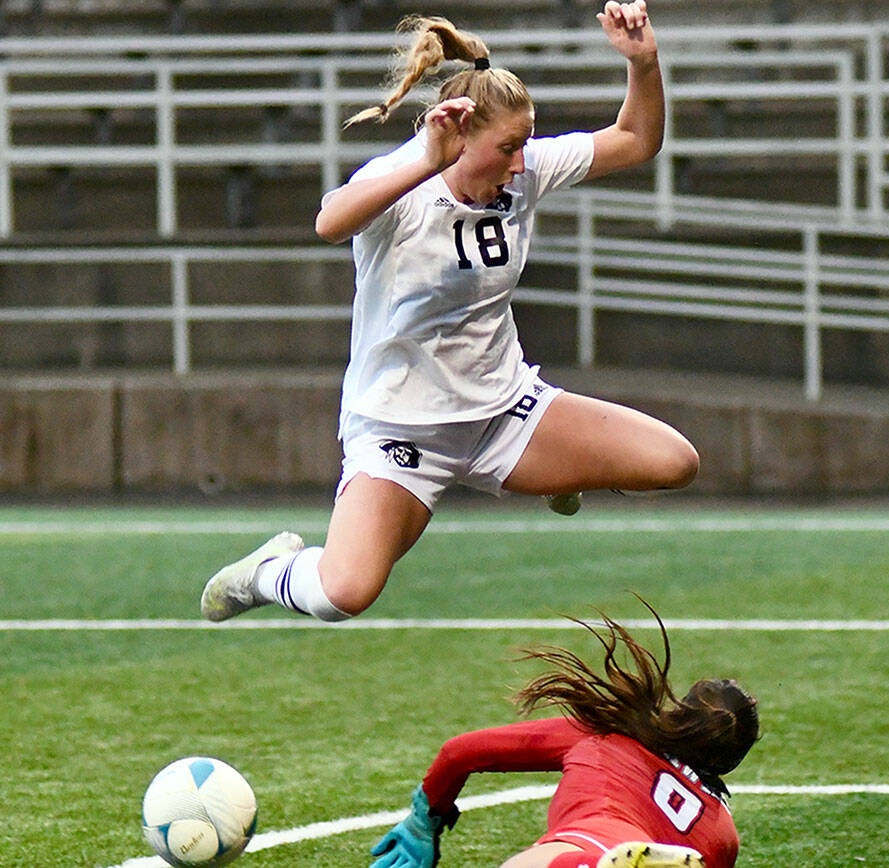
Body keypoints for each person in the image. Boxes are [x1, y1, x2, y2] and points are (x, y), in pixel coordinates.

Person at [201, 0, 698, 624]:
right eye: (508, 147)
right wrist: (424, 163)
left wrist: (644, 63)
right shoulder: (406, 183)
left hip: (502, 411)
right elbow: (329, 222)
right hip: (402, 430)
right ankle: (269, 571)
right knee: (342, 594)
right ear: (460, 141)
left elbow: (635, 139)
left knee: (674, 463)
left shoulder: (524, 171)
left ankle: (555, 472)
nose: (522, 162)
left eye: (526, 142)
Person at [369, 607, 760, 868]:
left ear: (679, 711)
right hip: (634, 850)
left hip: (577, 846)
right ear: (731, 761)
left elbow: (461, 752)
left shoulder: (611, 736)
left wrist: (424, 821)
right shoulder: (722, 834)